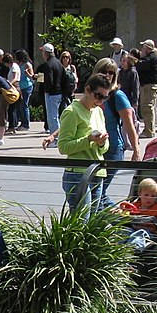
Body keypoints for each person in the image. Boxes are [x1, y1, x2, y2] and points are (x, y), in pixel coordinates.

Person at [42, 73, 111, 212]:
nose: (101, 100)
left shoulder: (98, 112)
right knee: (81, 220)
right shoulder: (72, 112)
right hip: (77, 173)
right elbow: (63, 147)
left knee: (93, 223)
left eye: (105, 97)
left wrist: (102, 143)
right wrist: (88, 140)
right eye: (98, 96)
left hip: (97, 171)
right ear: (87, 90)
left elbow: (104, 149)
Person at [91, 57, 141, 206]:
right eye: (103, 72)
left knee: (98, 193)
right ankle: (123, 219)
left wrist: (136, 149)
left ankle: (124, 221)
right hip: (93, 148)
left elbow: (129, 124)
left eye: (111, 72)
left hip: (112, 149)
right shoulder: (92, 93)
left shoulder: (117, 96)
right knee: (95, 193)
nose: (107, 75)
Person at [135, 39, 157, 137]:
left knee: (147, 107)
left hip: (149, 86)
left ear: (148, 48)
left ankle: (149, 131)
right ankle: (149, 129)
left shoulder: (152, 57)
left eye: (143, 47)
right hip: (146, 85)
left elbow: (142, 66)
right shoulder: (148, 57)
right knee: (145, 107)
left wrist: (136, 61)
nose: (142, 49)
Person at [38, 43, 65, 132]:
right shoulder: (58, 63)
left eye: (43, 52)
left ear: (46, 53)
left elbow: (49, 80)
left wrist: (47, 90)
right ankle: (56, 136)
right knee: (55, 115)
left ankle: (55, 138)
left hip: (51, 93)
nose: (42, 54)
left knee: (52, 117)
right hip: (59, 92)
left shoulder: (48, 64)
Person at [14, 48, 34, 132]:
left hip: (27, 87)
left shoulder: (27, 64)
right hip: (20, 87)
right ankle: (22, 122)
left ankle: (26, 124)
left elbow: (32, 77)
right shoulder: (19, 64)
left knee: (24, 105)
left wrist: (27, 73)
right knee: (20, 106)